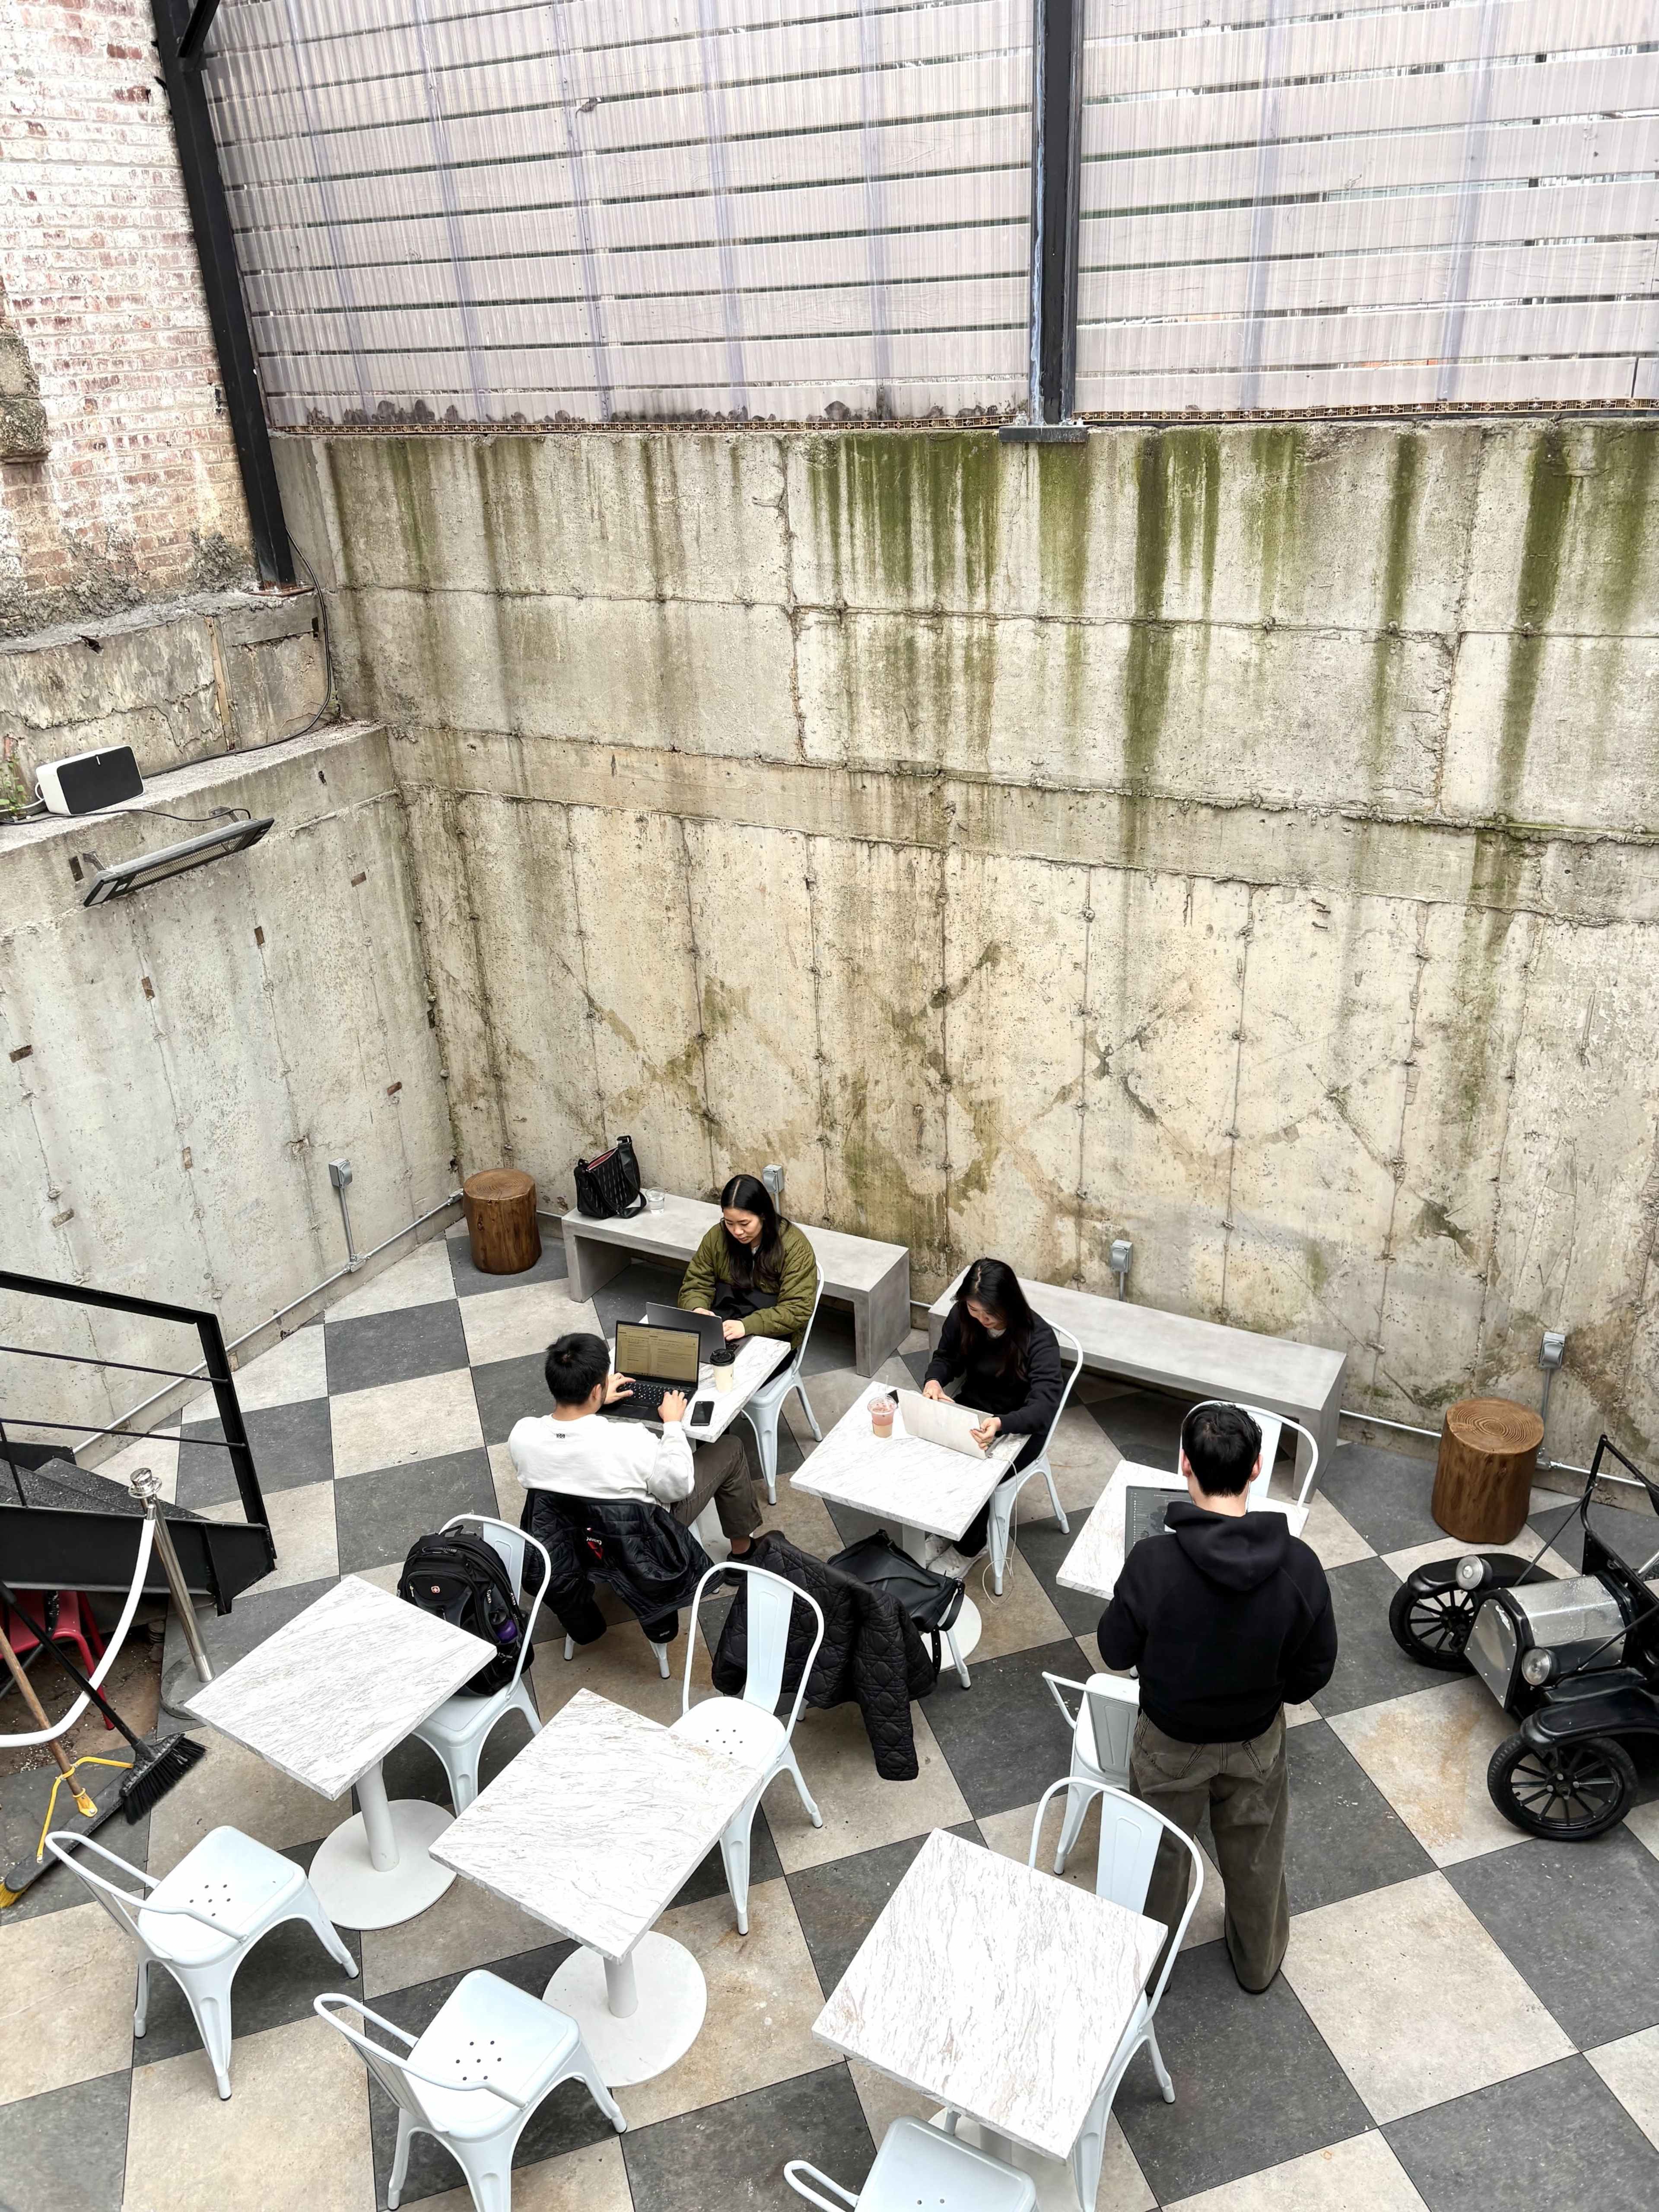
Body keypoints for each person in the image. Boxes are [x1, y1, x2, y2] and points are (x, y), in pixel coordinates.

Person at [1096, 1401, 1337, 1995]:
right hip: (1257, 1739)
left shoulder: (1153, 1560)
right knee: (1256, 1855)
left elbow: (1114, 1651)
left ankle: (1151, 1974)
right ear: (1257, 1467)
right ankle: (1257, 1965)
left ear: (1185, 1465)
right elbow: (1315, 1668)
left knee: (1162, 1856)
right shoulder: (1300, 1566)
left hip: (1170, 1740)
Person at [508, 1331, 763, 1553]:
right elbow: (679, 1487)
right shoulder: (631, 1441)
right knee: (731, 1447)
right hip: (644, 1536)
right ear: (597, 1389)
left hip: (571, 1536)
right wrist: (673, 1425)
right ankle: (743, 1552)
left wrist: (593, 1403)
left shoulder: (522, 1435)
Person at [920, 1257, 1065, 1578]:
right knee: (934, 1446)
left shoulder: (1038, 1338)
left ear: (1010, 1305)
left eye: (991, 1314)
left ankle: (971, 1545)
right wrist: (933, 1381)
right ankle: (949, 1526)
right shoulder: (964, 1317)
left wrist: (1001, 1424)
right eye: (975, 1311)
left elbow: (1043, 1407)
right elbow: (946, 1358)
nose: (983, 1320)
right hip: (976, 1405)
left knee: (978, 1467)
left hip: (1021, 1424)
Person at [678, 1173, 817, 1354]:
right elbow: (695, 1284)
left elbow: (797, 1309)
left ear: (763, 1215)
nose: (737, 1231)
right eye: (729, 1223)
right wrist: (698, 1309)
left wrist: (747, 1326)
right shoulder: (717, 1237)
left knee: (735, 1376)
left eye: (745, 1223)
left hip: (773, 1333)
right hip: (724, 1323)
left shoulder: (794, 1246)